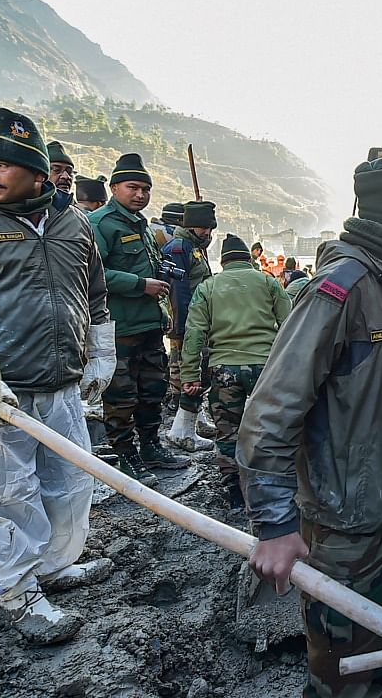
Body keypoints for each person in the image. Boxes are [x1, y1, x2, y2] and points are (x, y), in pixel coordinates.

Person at [239, 153, 382, 698]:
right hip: (346, 527)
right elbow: (269, 414)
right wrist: (275, 525)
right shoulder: (341, 289)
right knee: (341, 674)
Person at [0, 107, 116, 644]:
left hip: (61, 383)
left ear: (38, 173)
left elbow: (95, 293)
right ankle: (15, 592)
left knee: (68, 484)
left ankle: (51, 566)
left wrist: (100, 350)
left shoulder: (74, 223)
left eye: (1, 164)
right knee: (6, 494)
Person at [90, 153, 189, 485]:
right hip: (120, 328)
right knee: (121, 396)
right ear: (115, 187)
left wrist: (163, 311)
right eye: (133, 187)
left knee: (152, 390)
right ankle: (125, 456)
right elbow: (95, 272)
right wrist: (139, 285)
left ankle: (150, 446)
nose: (141, 194)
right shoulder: (101, 224)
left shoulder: (143, 227)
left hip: (148, 325)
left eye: (146, 188)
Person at [181, 233, 291, 508]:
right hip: (266, 368)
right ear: (247, 258)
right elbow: (290, 324)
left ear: (224, 261)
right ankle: (272, 483)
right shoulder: (267, 281)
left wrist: (190, 375)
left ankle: (234, 489)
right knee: (271, 426)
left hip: (224, 370)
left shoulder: (208, 287)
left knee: (228, 430)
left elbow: (194, 333)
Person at [163, 200, 217, 452]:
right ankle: (181, 431)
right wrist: (183, 325)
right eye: (202, 227)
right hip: (186, 323)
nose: (207, 233)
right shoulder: (179, 247)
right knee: (188, 374)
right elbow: (178, 290)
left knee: (199, 371)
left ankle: (194, 421)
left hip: (198, 321)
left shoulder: (194, 246)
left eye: (209, 228)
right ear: (190, 225)